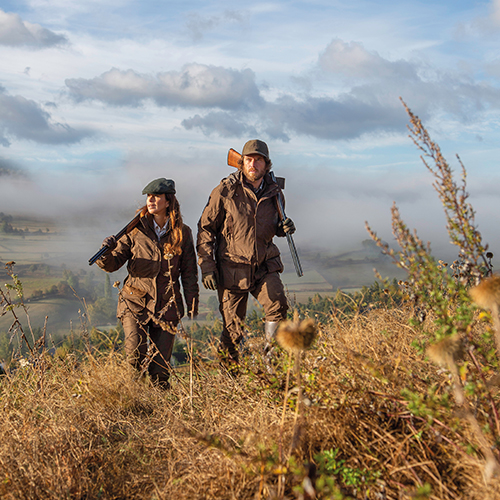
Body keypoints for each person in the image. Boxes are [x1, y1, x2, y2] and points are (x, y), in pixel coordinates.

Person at [197, 139, 295, 364]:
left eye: (258, 160)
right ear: (241, 163)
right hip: (232, 269)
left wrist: (284, 228)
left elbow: (273, 226)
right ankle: (230, 379)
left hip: (264, 266)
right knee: (234, 330)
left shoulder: (275, 193)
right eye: (249, 160)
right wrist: (207, 266)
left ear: (266, 164)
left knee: (277, 305)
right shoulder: (225, 191)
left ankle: (273, 366)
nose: (253, 164)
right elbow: (206, 229)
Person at [96, 178, 199, 388]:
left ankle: (160, 411)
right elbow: (113, 264)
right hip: (134, 304)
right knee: (135, 358)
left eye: (156, 196)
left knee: (160, 369)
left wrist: (192, 304)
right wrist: (105, 252)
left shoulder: (183, 233)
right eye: (149, 197)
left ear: (168, 201)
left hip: (167, 307)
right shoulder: (135, 230)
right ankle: (134, 405)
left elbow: (189, 273)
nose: (151, 200)